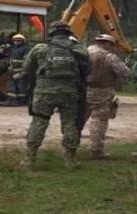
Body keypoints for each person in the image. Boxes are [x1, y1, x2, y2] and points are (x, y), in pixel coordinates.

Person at [18, 21, 89, 170]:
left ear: (51, 33)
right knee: (70, 124)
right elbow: (88, 69)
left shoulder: (40, 48)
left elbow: (26, 68)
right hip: (69, 92)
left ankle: (29, 159)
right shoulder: (79, 49)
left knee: (39, 122)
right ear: (68, 33)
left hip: (44, 92)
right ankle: (70, 160)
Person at [84, 34, 130, 159]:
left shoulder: (83, 53)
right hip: (103, 92)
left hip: (83, 91)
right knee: (99, 121)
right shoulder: (109, 57)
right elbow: (124, 72)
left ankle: (70, 147)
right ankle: (96, 150)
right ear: (108, 44)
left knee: (78, 121)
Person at [7, 34, 32, 105]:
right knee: (11, 86)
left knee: (21, 86)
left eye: (18, 40)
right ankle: (11, 100)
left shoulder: (26, 49)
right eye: (15, 40)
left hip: (20, 70)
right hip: (12, 70)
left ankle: (22, 101)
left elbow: (27, 61)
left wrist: (22, 73)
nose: (16, 42)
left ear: (23, 41)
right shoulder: (13, 48)